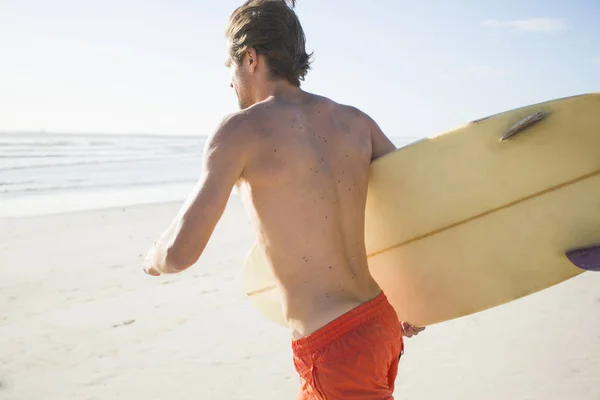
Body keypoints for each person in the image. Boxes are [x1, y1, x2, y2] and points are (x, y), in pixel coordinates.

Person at [143, 0, 425, 398]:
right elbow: (416, 208)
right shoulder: (355, 121)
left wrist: (151, 258)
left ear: (251, 58)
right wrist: (422, 298)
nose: (230, 80)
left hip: (332, 346)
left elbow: (179, 254)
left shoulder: (240, 131)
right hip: (379, 319)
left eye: (230, 66)